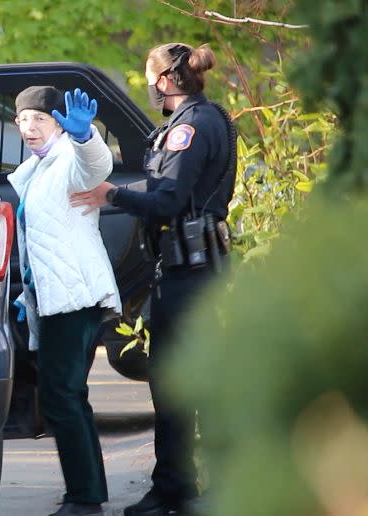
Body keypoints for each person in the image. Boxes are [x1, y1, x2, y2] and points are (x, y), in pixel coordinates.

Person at [70, 43, 236, 516]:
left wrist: (113, 195)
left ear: (164, 80)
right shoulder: (207, 118)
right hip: (195, 270)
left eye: (150, 78)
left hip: (190, 273)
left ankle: (179, 491)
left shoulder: (189, 127)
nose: (149, 87)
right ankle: (177, 488)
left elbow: (167, 198)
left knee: (177, 384)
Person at [9, 85, 122, 516]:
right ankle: (85, 492)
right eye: (22, 119)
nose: (29, 127)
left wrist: (84, 135)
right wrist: (29, 292)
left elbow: (97, 165)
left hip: (73, 297)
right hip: (54, 296)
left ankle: (85, 499)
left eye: (39, 119)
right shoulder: (35, 169)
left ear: (57, 122)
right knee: (67, 394)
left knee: (61, 395)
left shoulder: (68, 161)